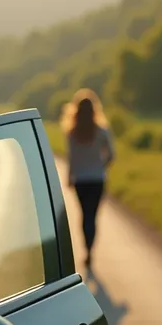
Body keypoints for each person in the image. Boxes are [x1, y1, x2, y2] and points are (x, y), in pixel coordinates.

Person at [59, 88, 115, 268]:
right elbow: (112, 155)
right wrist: (100, 165)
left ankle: (87, 249)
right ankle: (90, 249)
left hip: (80, 180)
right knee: (93, 215)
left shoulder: (72, 132)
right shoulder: (102, 131)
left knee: (85, 215)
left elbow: (72, 158)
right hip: (97, 179)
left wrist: (69, 176)